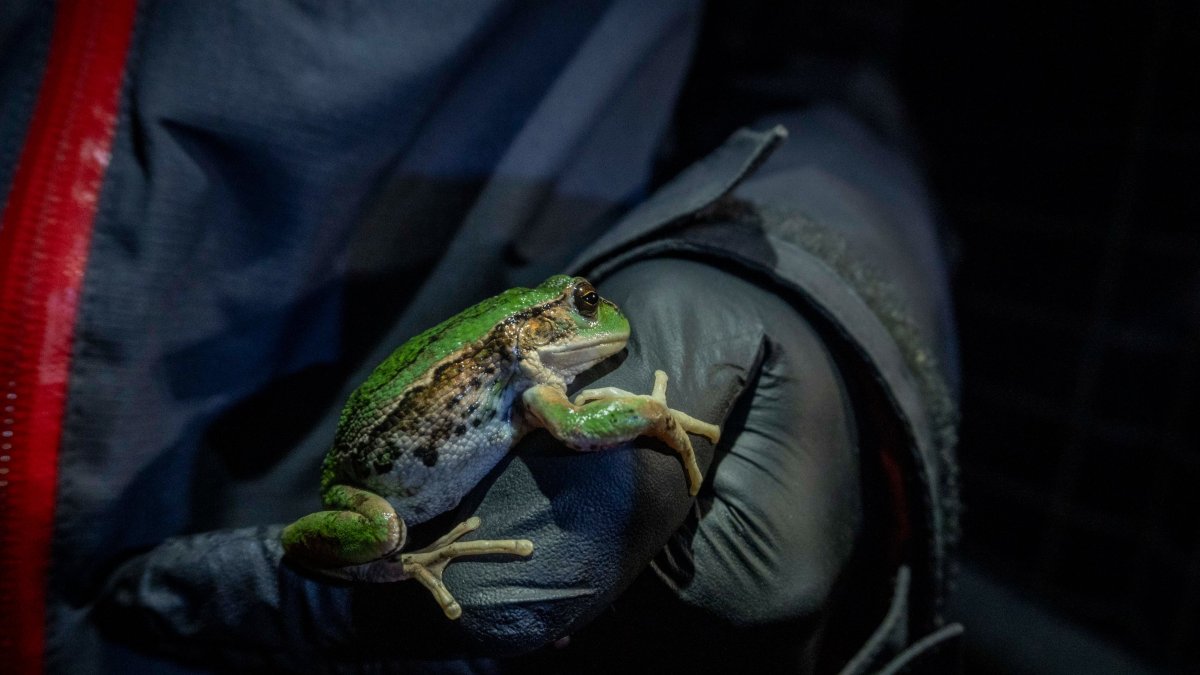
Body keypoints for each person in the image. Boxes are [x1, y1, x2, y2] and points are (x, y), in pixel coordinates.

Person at [0, 1, 960, 672]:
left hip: (333, 639)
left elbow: (826, 59)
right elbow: (580, 428)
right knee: (379, 527)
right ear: (544, 323)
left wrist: (798, 269)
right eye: (577, 307)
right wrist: (656, 412)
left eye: (580, 305)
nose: (591, 321)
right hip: (329, 523)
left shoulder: (529, 357)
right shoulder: (535, 378)